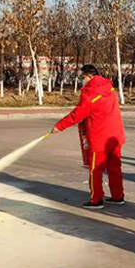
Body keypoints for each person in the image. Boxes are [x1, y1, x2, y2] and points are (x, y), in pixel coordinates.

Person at [52, 64, 126, 209]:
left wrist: (59, 126)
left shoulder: (91, 93)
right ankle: (118, 196)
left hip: (100, 138)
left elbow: (77, 114)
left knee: (95, 170)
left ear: (89, 76)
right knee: (114, 168)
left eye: (83, 77)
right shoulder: (109, 88)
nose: (82, 80)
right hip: (115, 136)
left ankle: (96, 200)